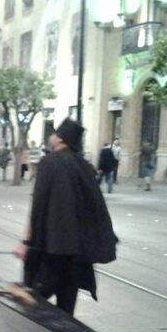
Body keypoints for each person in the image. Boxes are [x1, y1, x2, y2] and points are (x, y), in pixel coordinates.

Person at [14, 119, 118, 315]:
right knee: (66, 309)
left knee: (32, 302)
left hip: (51, 250)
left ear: (61, 139)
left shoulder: (49, 162)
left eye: (53, 133)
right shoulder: (84, 166)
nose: (50, 136)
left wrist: (25, 242)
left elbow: (38, 206)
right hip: (77, 254)